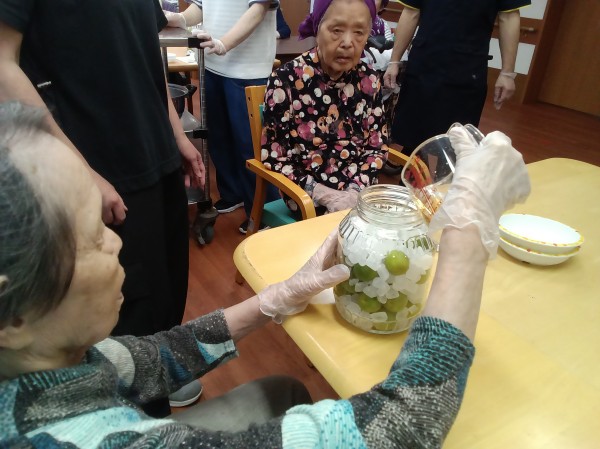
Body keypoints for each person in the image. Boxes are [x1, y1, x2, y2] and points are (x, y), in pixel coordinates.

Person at [0, 102, 531, 448]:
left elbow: (149, 358)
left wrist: (275, 298)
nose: (116, 242)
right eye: (92, 238)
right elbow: (407, 420)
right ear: (12, 314)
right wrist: (467, 233)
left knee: (283, 389)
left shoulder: (45, 358)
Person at [0, 0, 205, 413]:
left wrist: (177, 135)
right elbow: (4, 62)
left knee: (168, 290)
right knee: (129, 310)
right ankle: (140, 419)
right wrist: (81, 170)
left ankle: (161, 371)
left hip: (158, 154)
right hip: (100, 167)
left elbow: (149, 54)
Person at [261, 0, 389, 217]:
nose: (347, 42)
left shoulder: (369, 79)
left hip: (358, 194)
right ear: (317, 28)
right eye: (336, 30)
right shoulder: (285, 80)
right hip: (307, 199)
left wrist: (354, 192)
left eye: (359, 32)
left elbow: (376, 148)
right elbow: (275, 158)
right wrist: (326, 196)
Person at [165, 0, 281, 234]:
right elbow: (201, 5)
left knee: (249, 145)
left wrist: (223, 43)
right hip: (213, 63)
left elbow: (258, 10)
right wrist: (181, 19)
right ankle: (232, 193)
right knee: (218, 138)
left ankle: (264, 212)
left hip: (248, 69)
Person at [384, 0, 531, 154]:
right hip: (424, 61)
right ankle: (410, 167)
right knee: (412, 136)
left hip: (467, 68)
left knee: (458, 144)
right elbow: (411, 12)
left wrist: (507, 73)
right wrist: (394, 60)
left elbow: (509, 17)